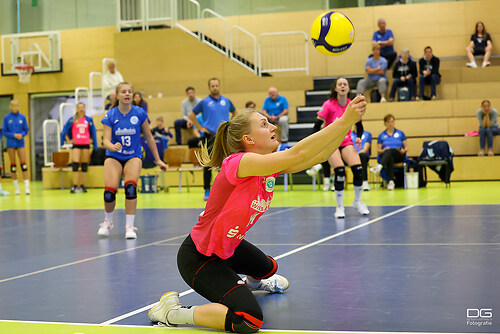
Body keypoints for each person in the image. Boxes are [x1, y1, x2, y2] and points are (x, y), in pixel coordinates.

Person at [148, 96, 367, 332]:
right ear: (248, 139)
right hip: (200, 257)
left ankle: (250, 284)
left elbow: (319, 155)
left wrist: (345, 125)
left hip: (228, 248)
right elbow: (298, 154)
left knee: (269, 268)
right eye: (264, 124)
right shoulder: (238, 163)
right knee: (248, 320)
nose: (273, 126)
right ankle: (172, 312)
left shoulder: (266, 165)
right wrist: (344, 119)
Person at [97, 82, 167, 239]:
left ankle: (129, 226)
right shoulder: (110, 115)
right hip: (114, 156)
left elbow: (149, 136)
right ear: (118, 95)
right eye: (123, 91)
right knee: (109, 192)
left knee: (130, 188)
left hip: (133, 156)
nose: (127, 94)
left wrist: (158, 159)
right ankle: (108, 222)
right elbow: (105, 140)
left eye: (129, 91)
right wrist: (112, 146)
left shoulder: (139, 113)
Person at [313, 78, 369, 218]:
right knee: (339, 171)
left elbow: (359, 126)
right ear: (336, 89)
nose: (343, 86)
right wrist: (318, 142)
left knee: (358, 169)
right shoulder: (328, 105)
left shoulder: (352, 105)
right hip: (331, 143)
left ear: (349, 88)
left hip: (346, 142)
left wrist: (358, 136)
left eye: (345, 84)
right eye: (340, 84)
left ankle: (357, 201)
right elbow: (316, 125)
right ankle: (339, 206)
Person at [188, 78, 236, 201]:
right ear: (209, 88)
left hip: (223, 136)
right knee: (208, 164)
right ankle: (207, 190)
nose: (215, 87)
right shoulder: (204, 102)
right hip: (209, 137)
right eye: (212, 86)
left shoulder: (226, 101)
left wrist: (230, 125)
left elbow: (235, 112)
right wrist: (200, 128)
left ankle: (226, 189)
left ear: (219, 86)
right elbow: (191, 115)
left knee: (226, 163)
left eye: (216, 85)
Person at [60, 102, 98, 193]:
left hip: (85, 144)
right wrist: (68, 140)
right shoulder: (72, 120)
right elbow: (64, 131)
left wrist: (92, 140)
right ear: (77, 109)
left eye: (83, 107)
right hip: (76, 144)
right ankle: (75, 185)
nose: (81, 109)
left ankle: (82, 185)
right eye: (79, 107)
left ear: (85, 109)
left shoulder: (89, 120)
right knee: (75, 164)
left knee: (84, 165)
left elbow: (93, 132)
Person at [371, 114, 408, 191]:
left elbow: (406, 148)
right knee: (390, 156)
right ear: (385, 123)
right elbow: (379, 150)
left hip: (399, 155)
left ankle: (380, 166)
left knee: (391, 151)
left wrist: (403, 150)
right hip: (387, 156)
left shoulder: (400, 133)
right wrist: (384, 150)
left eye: (392, 122)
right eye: (389, 122)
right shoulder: (381, 135)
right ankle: (391, 182)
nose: (391, 124)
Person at [1, 100, 30, 195]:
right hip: (11, 143)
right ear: (10, 106)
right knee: (13, 166)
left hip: (20, 143)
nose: (15, 107)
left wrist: (21, 134)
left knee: (23, 164)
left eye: (17, 105)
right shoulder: (7, 118)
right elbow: (4, 131)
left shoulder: (22, 117)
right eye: (13, 106)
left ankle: (27, 187)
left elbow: (26, 129)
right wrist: (13, 135)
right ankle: (16, 188)